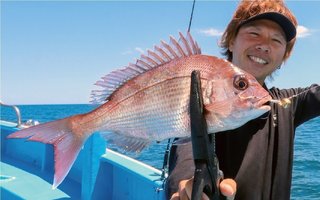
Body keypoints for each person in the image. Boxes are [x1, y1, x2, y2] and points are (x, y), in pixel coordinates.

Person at [166, 0, 320, 200]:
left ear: (283, 57)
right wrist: (187, 185)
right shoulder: (203, 98)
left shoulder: (288, 104)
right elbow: (186, 146)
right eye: (254, 33)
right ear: (231, 41)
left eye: (276, 40)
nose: (264, 46)